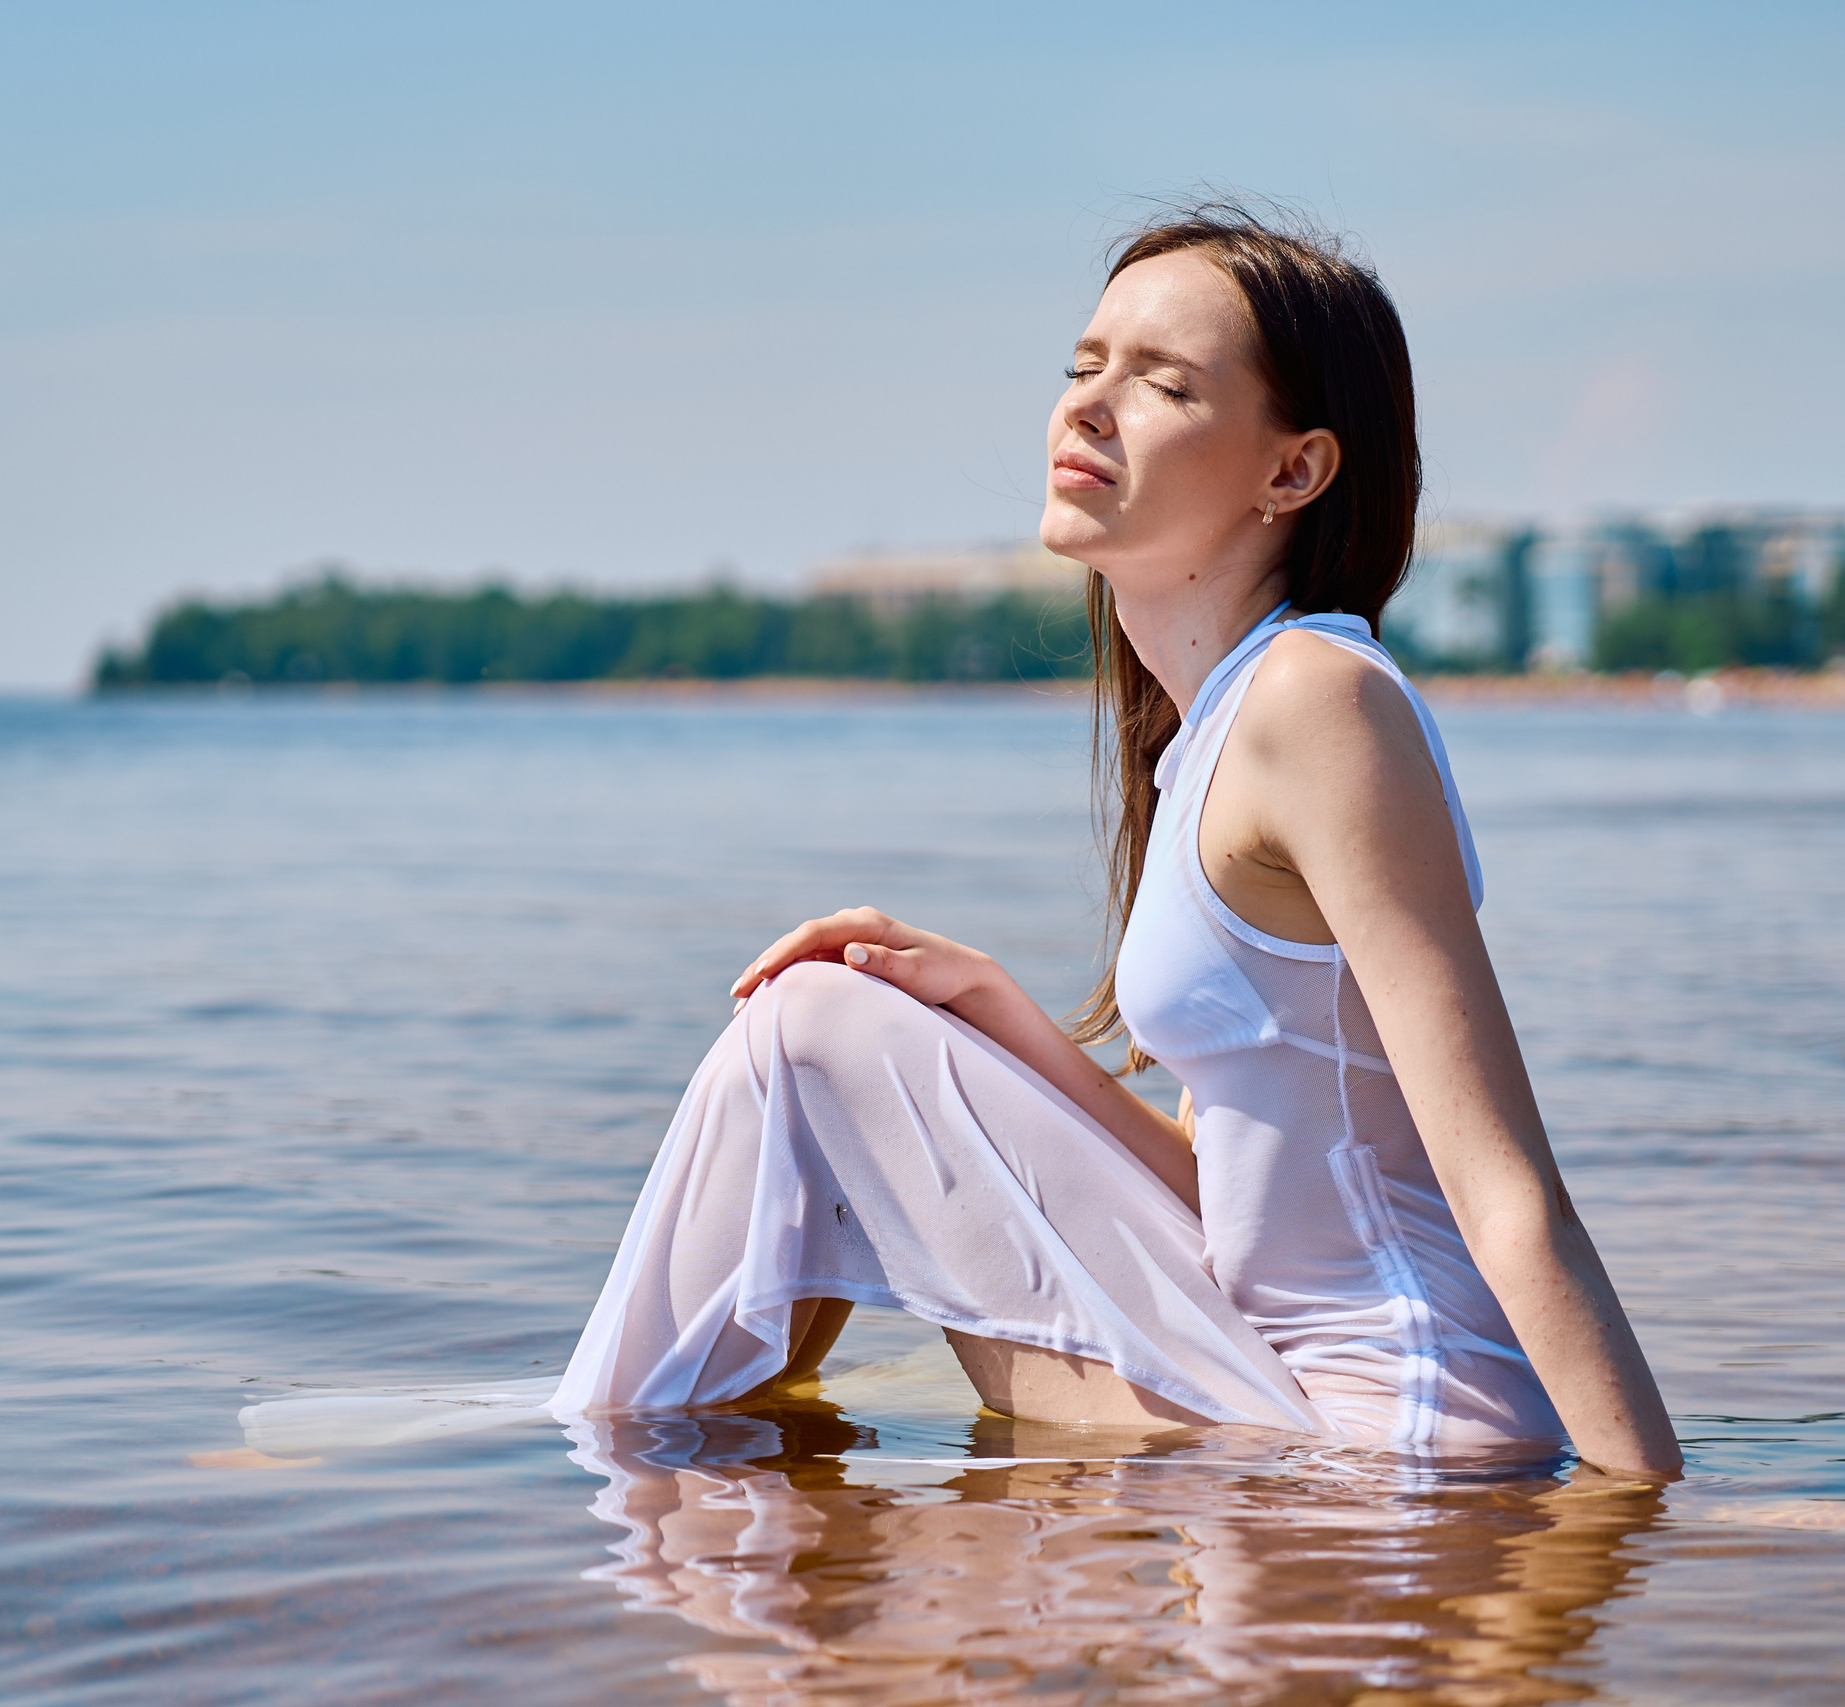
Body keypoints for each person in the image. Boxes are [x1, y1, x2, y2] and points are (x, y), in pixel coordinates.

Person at [549, 203, 1682, 1477]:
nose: (1088, 407)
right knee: (826, 1020)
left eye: (1163, 384)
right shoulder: (1215, 729)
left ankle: (602, 1469)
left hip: (1392, 1436)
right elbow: (1235, 1201)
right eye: (1084, 366)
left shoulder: (1318, 702)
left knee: (809, 1033)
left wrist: (1644, 1515)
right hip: (1287, 1390)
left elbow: (1504, 1189)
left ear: (1293, 471)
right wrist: (1000, 1015)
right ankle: (645, 1458)